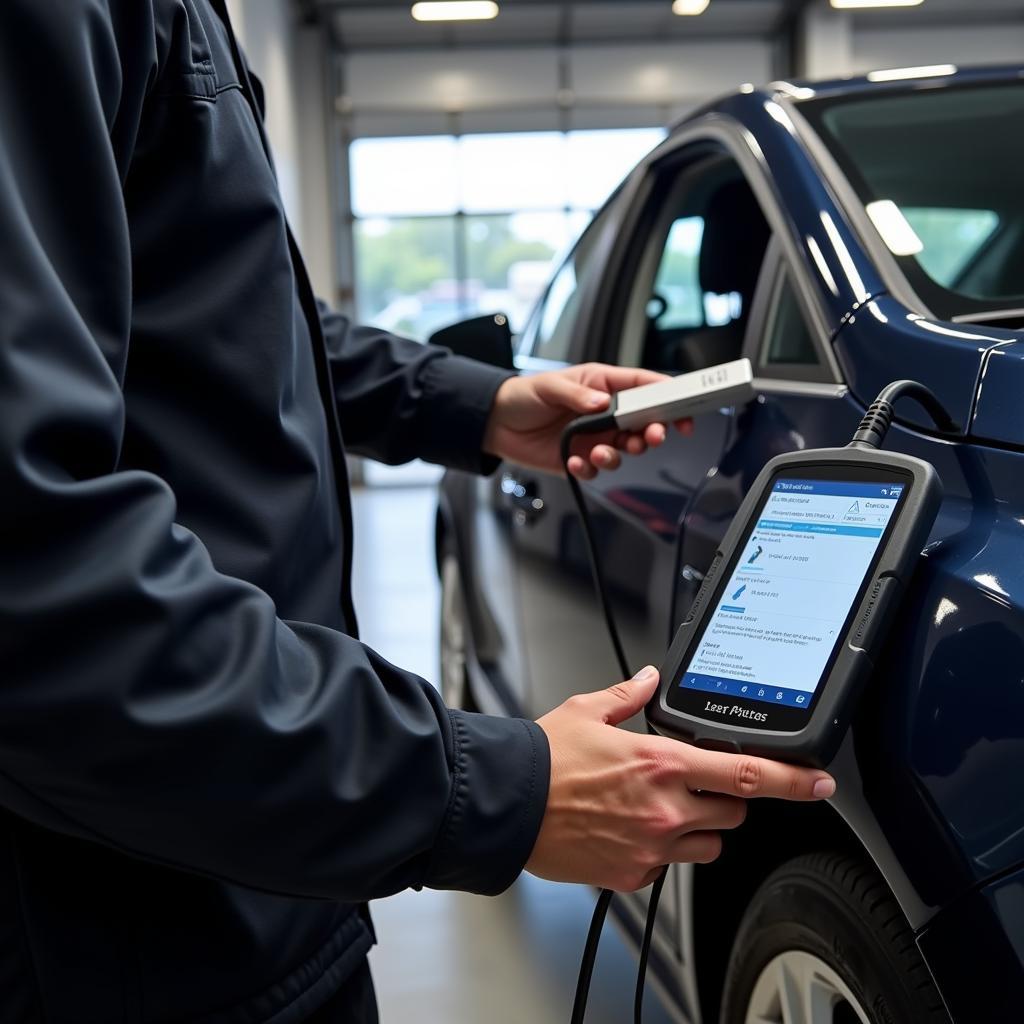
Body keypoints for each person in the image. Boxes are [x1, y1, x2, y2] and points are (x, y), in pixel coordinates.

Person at [0, 2, 835, 1021]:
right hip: (130, 925)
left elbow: (219, 328)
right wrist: (489, 791)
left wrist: (472, 402)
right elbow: (35, 589)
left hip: (239, 867)